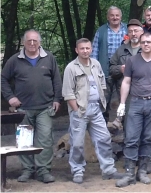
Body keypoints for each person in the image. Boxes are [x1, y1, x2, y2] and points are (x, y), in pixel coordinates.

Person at [1, 29, 62, 183]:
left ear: (39, 42)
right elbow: (3, 79)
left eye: (35, 40)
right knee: (24, 141)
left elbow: (57, 80)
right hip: (23, 108)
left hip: (45, 107)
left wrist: (57, 99)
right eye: (29, 41)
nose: (32, 43)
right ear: (24, 42)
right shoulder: (15, 60)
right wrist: (10, 97)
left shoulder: (49, 58)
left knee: (45, 140)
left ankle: (43, 171)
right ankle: (27, 170)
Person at [62, 38, 126, 184]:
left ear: (91, 49)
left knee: (104, 139)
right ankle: (77, 171)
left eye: (87, 48)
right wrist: (76, 110)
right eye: (82, 48)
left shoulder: (96, 64)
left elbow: (102, 84)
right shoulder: (71, 68)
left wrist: (101, 103)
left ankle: (108, 169)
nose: (85, 51)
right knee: (77, 143)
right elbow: (68, 93)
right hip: (80, 110)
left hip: (96, 109)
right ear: (76, 50)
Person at [114, 32, 151, 187]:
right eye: (143, 42)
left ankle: (142, 171)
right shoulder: (132, 61)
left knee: (148, 138)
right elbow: (126, 82)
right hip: (135, 103)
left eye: (148, 42)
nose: (146, 44)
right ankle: (129, 173)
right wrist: (122, 103)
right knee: (131, 138)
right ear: (139, 44)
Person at [109, 19, 151, 174]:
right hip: (129, 97)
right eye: (131, 31)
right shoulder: (121, 50)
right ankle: (130, 163)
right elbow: (111, 68)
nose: (133, 33)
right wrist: (121, 68)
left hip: (150, 95)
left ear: (142, 32)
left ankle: (148, 162)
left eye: (136, 31)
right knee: (130, 131)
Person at [91, 6, 128, 121]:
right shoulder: (101, 31)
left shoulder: (127, 29)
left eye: (117, 15)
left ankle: (125, 129)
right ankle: (103, 130)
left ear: (121, 17)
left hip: (124, 71)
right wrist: (94, 70)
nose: (115, 17)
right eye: (112, 15)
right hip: (105, 71)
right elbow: (95, 51)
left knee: (125, 100)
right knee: (103, 101)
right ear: (108, 17)